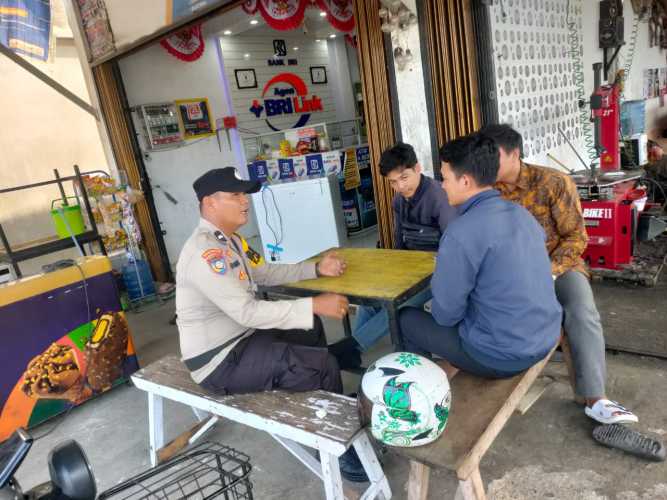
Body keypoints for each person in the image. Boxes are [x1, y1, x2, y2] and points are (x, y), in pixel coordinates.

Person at [175, 167, 367, 481]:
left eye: (244, 194)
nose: (245, 201)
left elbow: (264, 273)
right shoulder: (205, 253)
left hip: (243, 338)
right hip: (219, 361)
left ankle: (316, 397)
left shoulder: (231, 240)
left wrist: (316, 267)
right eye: (235, 195)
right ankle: (336, 450)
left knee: (310, 327)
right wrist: (314, 303)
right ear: (210, 203)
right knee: (323, 364)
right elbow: (248, 312)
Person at [480, 123, 638, 425]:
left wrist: (547, 273)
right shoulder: (487, 191)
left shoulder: (553, 182)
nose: (486, 163)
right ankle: (488, 389)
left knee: (581, 311)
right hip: (510, 274)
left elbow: (576, 238)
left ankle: (596, 398)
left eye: (493, 154)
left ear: (514, 153)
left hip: (559, 267)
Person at [398, 133, 562, 380]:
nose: (442, 185)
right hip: (545, 337)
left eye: (445, 178)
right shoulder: (522, 214)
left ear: (465, 181)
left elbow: (445, 315)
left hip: (499, 357)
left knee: (405, 319)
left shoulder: (460, 233)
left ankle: (423, 390)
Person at [350, 142, 456, 352]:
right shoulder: (399, 201)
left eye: (404, 178)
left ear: (417, 168)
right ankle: (354, 348)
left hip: (439, 272)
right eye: (393, 182)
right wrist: (394, 272)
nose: (400, 187)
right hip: (409, 267)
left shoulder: (439, 197)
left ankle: (353, 348)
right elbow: (399, 240)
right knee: (370, 296)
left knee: (397, 304)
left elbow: (453, 245)